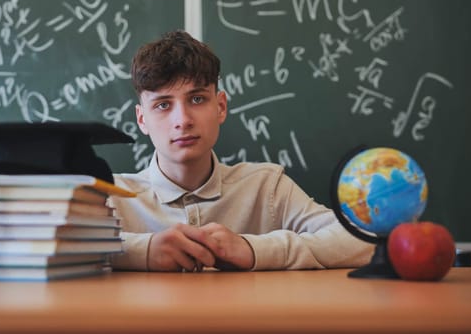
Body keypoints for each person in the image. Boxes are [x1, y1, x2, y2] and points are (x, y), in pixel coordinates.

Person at [108, 30, 372, 272]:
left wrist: (253, 249)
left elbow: (363, 240)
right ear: (142, 119)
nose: (183, 120)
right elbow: (65, 248)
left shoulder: (267, 187)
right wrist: (142, 251)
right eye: (163, 105)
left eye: (197, 99)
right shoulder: (113, 197)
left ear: (221, 106)